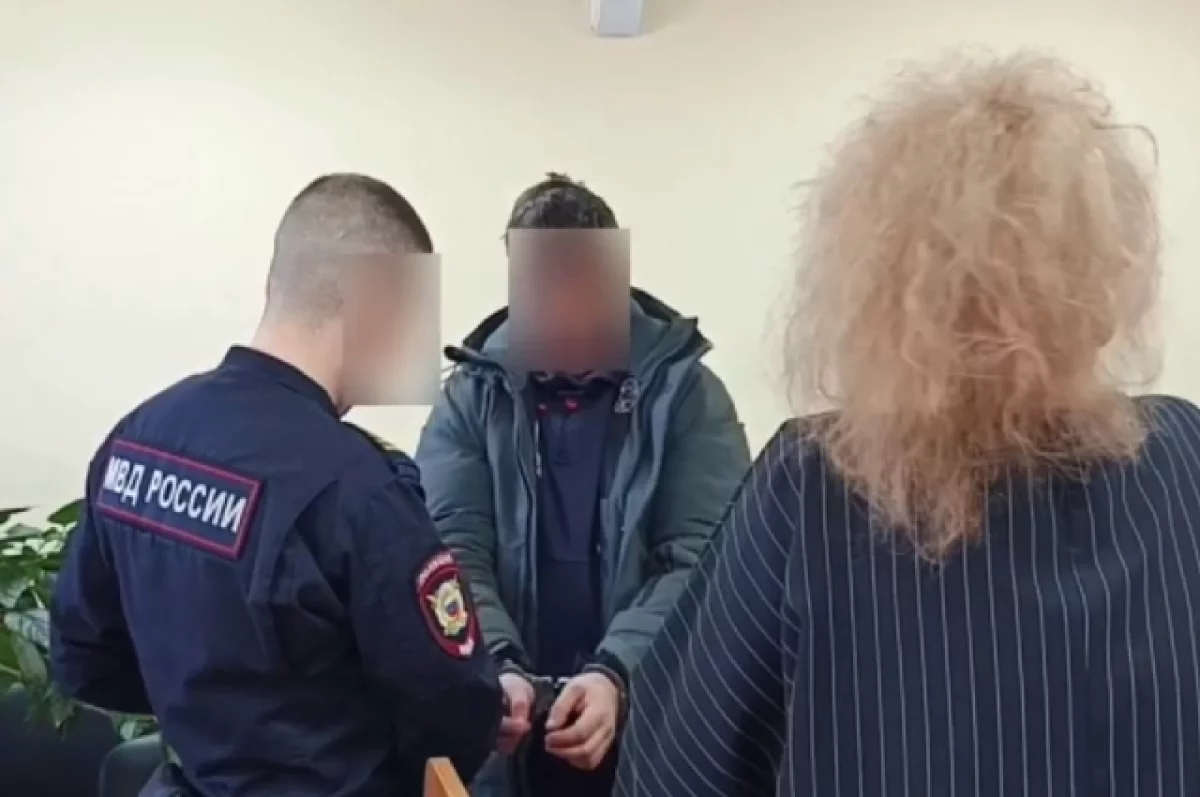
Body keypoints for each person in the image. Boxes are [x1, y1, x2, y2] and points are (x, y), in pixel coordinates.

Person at [617, 52, 1200, 797]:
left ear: (877, 289)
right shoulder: (1183, 459)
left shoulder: (813, 482)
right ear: (1104, 281)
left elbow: (677, 769)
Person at [49, 173, 503, 797]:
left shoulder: (139, 438)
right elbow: (454, 714)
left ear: (275, 286)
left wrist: (217, 720)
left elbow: (82, 658)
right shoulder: (357, 489)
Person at [415, 173, 751, 797]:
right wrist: (498, 666)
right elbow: (452, 554)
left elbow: (702, 564)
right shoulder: (470, 397)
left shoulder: (688, 397)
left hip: (651, 730)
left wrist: (617, 673)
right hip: (509, 738)